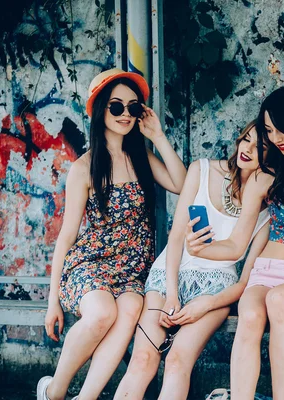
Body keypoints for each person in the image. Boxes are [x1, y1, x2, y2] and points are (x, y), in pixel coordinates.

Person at [37, 68, 187, 400]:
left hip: (133, 269)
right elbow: (66, 236)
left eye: (133, 107)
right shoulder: (84, 168)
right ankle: (53, 391)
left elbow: (182, 185)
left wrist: (158, 137)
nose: (125, 114)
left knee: (132, 307)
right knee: (104, 313)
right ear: (100, 109)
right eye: (116, 106)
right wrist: (52, 303)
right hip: (90, 264)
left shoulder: (142, 157)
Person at [187, 85, 284, 400]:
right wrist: (199, 248)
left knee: (280, 301)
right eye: (268, 130)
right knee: (252, 315)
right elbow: (236, 246)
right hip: (268, 272)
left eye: (280, 128)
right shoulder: (263, 176)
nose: (276, 137)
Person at [113, 121, 270, 400]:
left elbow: (246, 280)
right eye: (247, 139)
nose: (248, 149)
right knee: (143, 360)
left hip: (216, 291)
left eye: (261, 147)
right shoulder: (202, 170)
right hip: (166, 277)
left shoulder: (267, 209)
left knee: (176, 362)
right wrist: (172, 294)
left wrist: (207, 304)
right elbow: (175, 238)